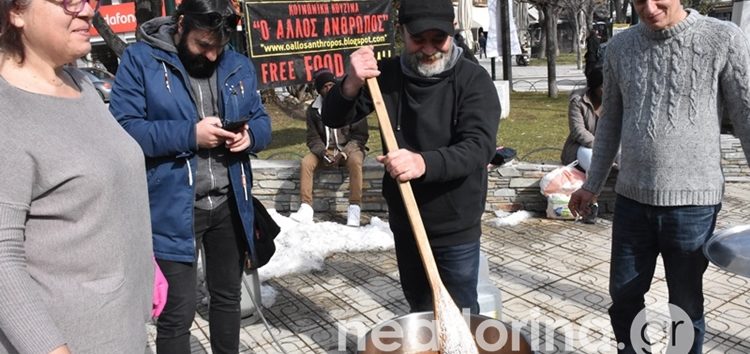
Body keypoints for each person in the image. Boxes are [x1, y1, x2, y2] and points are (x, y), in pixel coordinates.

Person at [568, 1, 750, 353]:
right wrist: (591, 186)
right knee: (623, 297)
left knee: (684, 306)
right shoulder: (620, 47)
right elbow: (610, 123)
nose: (649, 8)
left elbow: (746, 116)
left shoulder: (722, 38)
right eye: (638, 0)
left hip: (693, 205)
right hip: (632, 201)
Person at [108, 0, 272, 351]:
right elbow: (123, 129)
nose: (212, 56)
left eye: (219, 47)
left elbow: (262, 119)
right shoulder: (141, 61)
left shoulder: (239, 65)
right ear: (181, 24)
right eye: (203, 46)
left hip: (229, 203)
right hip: (171, 208)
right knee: (176, 312)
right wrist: (190, 135)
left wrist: (251, 136)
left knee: (228, 299)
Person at [322, 0, 501, 314]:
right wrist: (350, 82)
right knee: (420, 309)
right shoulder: (385, 76)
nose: (429, 48)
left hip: (455, 222)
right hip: (406, 219)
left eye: (438, 39)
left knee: (461, 313)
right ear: (401, 32)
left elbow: (479, 146)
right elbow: (333, 117)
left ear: (453, 31)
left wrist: (422, 162)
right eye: (419, 39)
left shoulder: (473, 80)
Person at [0, 0, 153, 351]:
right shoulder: (7, 110)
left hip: (123, 333)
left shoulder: (81, 85)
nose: (87, 11)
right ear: (16, 11)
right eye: (69, 0)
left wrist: (144, 266)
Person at [291, 68, 369, 226]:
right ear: (319, 90)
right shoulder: (313, 110)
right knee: (306, 162)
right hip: (327, 151)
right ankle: (306, 207)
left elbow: (360, 136)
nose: (329, 88)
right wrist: (322, 153)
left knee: (355, 162)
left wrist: (345, 152)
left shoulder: (350, 103)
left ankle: (354, 207)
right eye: (325, 86)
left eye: (332, 84)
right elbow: (312, 138)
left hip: (350, 149)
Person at [560, 61, 603, 171]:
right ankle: (591, 187)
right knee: (593, 163)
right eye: (603, 87)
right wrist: (601, 146)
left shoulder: (614, 102)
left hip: (608, 147)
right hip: (582, 147)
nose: (608, 91)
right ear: (595, 86)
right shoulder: (578, 102)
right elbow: (578, 131)